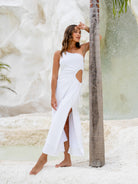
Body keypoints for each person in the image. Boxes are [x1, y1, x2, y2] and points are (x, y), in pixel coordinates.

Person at [29, 22, 101, 175]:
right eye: (75, 32)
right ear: (68, 34)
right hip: (61, 90)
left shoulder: (82, 49)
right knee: (64, 124)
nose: (78, 34)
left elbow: (98, 38)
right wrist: (53, 96)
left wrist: (86, 28)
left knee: (61, 119)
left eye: (79, 32)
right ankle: (66, 159)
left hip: (74, 89)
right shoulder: (58, 54)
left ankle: (44, 156)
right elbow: (54, 76)